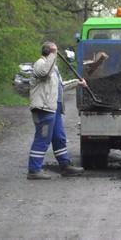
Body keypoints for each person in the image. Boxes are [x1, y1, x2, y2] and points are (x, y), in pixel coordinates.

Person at [27, 41, 86, 180]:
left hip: (55, 109)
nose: (57, 55)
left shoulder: (53, 69)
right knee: (42, 138)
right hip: (43, 109)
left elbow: (60, 86)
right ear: (50, 52)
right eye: (55, 52)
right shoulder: (40, 64)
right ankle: (34, 170)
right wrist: (53, 54)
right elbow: (43, 73)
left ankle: (65, 166)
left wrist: (77, 83)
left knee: (59, 138)